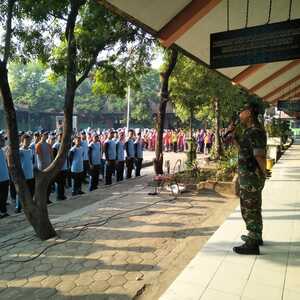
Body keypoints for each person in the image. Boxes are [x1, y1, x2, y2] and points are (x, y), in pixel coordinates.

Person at [232, 102, 267, 255]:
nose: (240, 114)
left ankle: (253, 243)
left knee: (249, 209)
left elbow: (259, 154)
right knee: (253, 207)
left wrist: (264, 172)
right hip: (248, 177)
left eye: (242, 111)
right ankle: (256, 236)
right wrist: (234, 137)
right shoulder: (249, 131)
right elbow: (244, 150)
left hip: (251, 178)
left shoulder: (255, 132)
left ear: (249, 113)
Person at [16, 134, 35, 213]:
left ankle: (28, 206)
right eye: (26, 141)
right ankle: (18, 207)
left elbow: (32, 161)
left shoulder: (30, 150)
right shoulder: (20, 151)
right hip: (23, 176)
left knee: (31, 192)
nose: (28, 142)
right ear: (22, 141)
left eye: (29, 140)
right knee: (21, 192)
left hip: (30, 175)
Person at [35, 130, 53, 204]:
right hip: (42, 168)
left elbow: (51, 155)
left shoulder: (48, 145)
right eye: (44, 135)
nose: (46, 136)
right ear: (41, 135)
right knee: (42, 185)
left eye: (46, 134)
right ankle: (41, 200)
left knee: (48, 185)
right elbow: (39, 157)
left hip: (49, 166)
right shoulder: (38, 145)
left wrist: (52, 164)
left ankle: (47, 199)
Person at [52, 133, 68, 200]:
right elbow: (54, 157)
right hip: (58, 168)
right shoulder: (55, 145)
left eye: (62, 136)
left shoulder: (64, 145)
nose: (61, 138)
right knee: (59, 183)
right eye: (60, 136)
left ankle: (62, 195)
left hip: (64, 166)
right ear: (57, 137)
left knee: (63, 182)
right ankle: (59, 196)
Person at [0, 134, 9, 218]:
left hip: (5, 177)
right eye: (2, 140)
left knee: (4, 196)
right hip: (0, 178)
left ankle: (3, 211)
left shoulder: (2, 150)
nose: (4, 141)